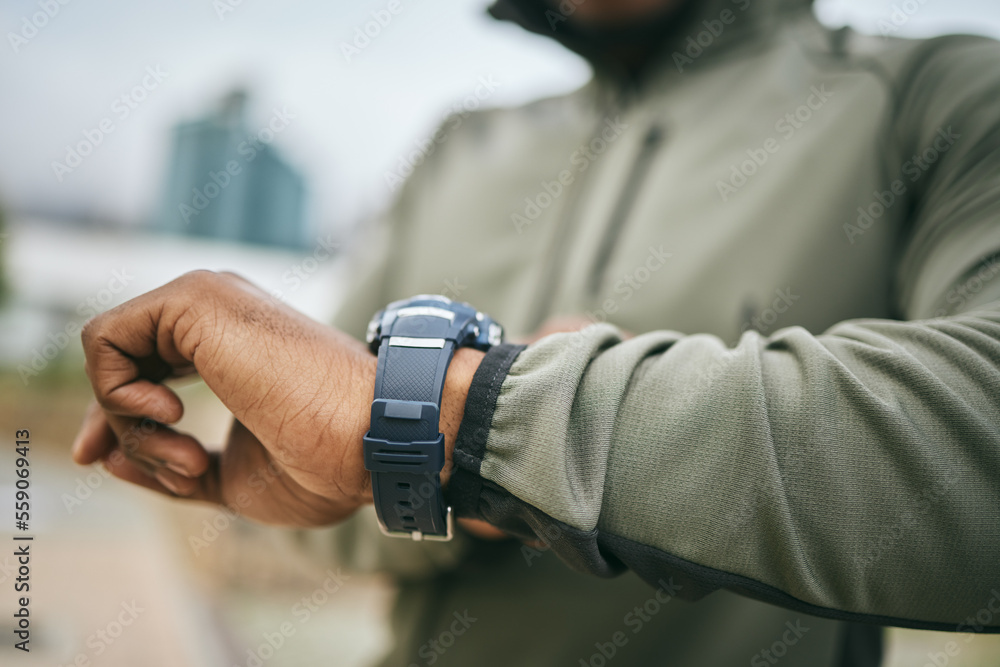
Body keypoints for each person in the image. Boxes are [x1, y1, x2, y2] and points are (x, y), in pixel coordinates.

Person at [72, 0, 1000, 664]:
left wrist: (467, 413)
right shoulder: (458, 147)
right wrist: (420, 476)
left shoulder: (937, 97)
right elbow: (328, 490)